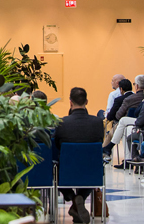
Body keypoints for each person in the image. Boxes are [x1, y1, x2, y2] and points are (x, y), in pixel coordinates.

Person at [54, 87, 104, 224]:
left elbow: (57, 145)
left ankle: (72, 197)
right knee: (91, 167)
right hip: (92, 171)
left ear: (70, 102)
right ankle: (80, 197)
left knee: (55, 170)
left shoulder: (62, 123)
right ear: (86, 102)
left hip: (67, 171)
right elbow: (100, 141)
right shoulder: (97, 122)